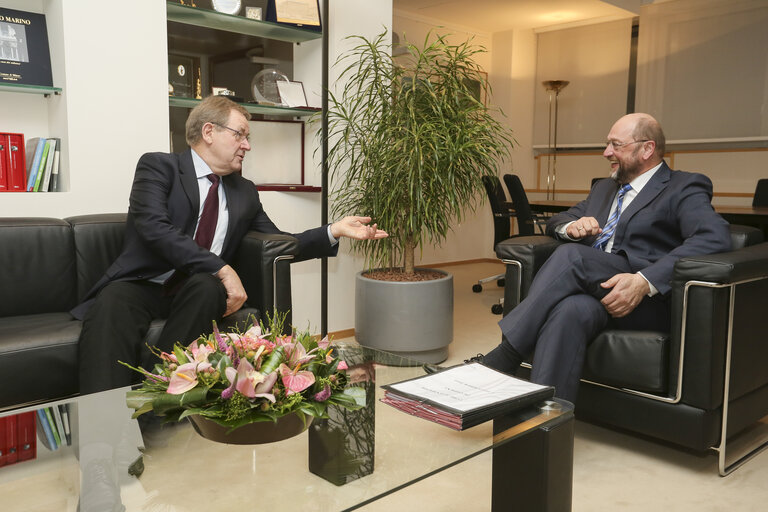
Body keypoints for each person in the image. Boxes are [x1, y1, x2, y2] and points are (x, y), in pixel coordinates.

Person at [73, 95, 387, 394]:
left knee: (208, 288)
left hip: (195, 290)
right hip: (142, 283)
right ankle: (105, 434)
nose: (247, 145)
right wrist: (222, 268)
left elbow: (277, 244)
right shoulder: (159, 167)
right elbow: (154, 227)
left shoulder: (244, 191)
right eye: (240, 135)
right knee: (112, 302)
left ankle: (158, 394)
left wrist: (333, 230)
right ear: (208, 131)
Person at [462, 113, 732, 402]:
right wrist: (571, 226)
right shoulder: (604, 188)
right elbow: (558, 220)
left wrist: (644, 280)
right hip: (594, 292)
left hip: (645, 300)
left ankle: (506, 356)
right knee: (570, 310)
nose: (607, 153)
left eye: (616, 145)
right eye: (607, 144)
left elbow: (714, 236)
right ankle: (543, 421)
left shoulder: (683, 186)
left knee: (572, 257)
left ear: (647, 149)